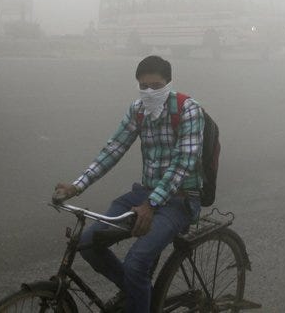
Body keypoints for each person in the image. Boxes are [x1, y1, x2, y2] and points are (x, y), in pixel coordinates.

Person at [52, 56, 203, 313]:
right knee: (88, 243)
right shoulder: (138, 109)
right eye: (143, 86)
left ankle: (138, 296)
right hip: (144, 195)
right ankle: (140, 296)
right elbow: (114, 149)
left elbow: (183, 163)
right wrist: (77, 186)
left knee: (136, 263)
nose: (149, 92)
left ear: (168, 83)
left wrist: (152, 204)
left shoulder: (188, 109)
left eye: (156, 86)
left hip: (180, 199)